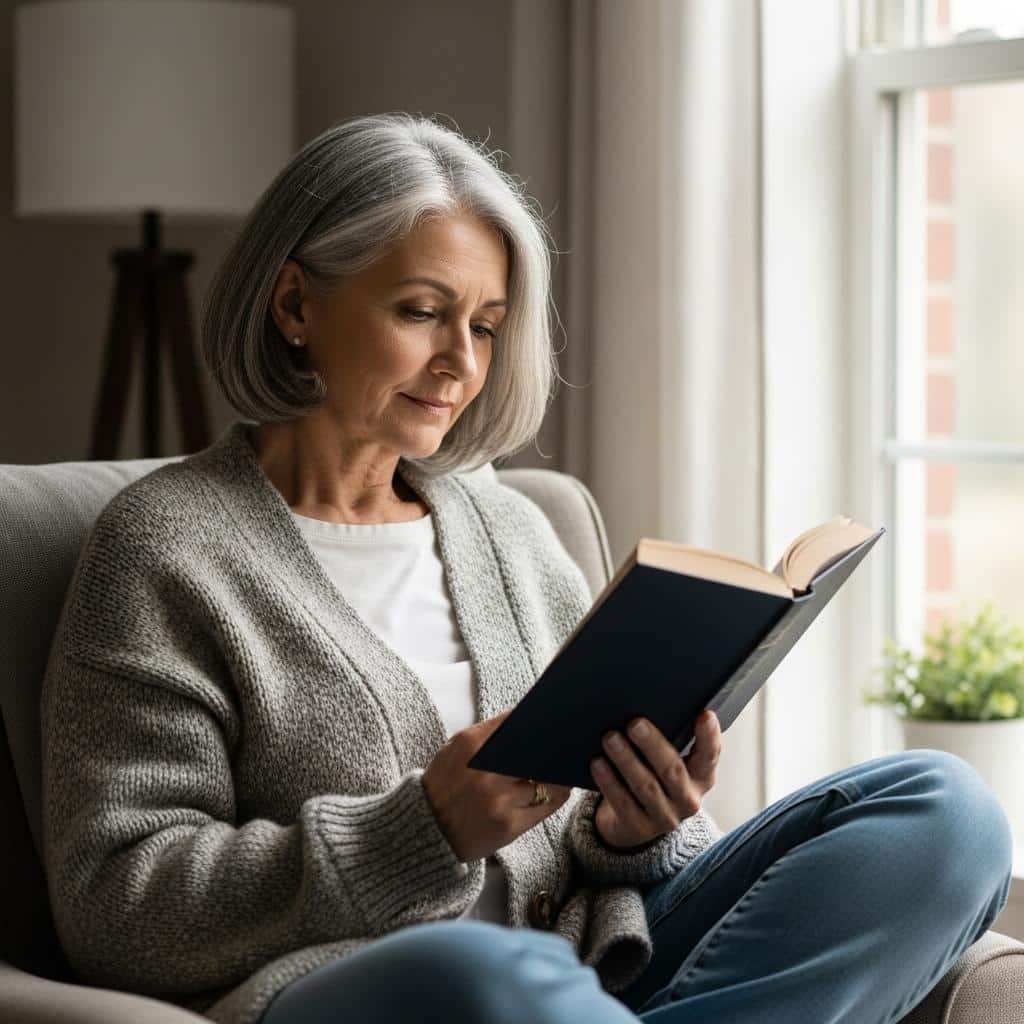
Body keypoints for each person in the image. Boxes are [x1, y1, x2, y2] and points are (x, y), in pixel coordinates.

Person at [39, 112, 1012, 1024]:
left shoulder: (509, 531)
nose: (461, 360)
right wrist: (423, 829)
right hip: (378, 986)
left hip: (591, 965)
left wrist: (632, 825)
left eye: (487, 325)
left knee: (944, 810)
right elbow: (118, 905)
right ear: (296, 302)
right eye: (422, 310)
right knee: (496, 972)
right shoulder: (166, 548)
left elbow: (588, 838)